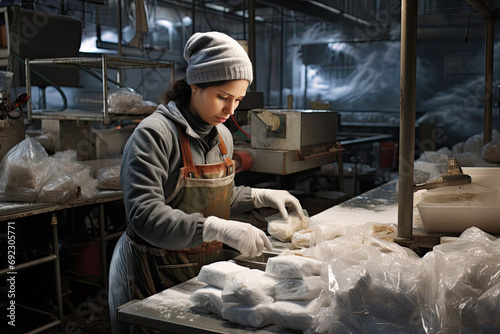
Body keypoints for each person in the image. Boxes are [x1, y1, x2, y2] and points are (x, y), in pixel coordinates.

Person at [108, 31, 305, 333]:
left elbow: (215, 195)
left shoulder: (222, 135)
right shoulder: (154, 135)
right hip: (151, 276)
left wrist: (258, 196)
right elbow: (144, 216)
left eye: (238, 99)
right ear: (195, 86)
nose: (230, 110)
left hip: (200, 273)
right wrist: (215, 227)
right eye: (222, 97)